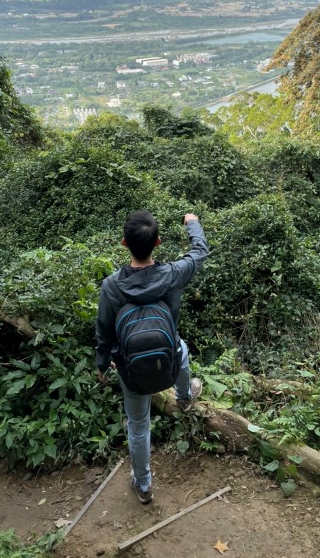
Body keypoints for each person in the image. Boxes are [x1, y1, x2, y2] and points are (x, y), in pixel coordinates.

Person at [95, 210, 209, 504]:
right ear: (158, 242)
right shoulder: (173, 274)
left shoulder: (111, 286)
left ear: (123, 243)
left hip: (129, 367)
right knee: (181, 350)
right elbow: (200, 251)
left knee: (138, 425)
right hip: (168, 354)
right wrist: (192, 223)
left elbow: (104, 331)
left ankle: (144, 485)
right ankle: (184, 396)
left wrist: (101, 365)